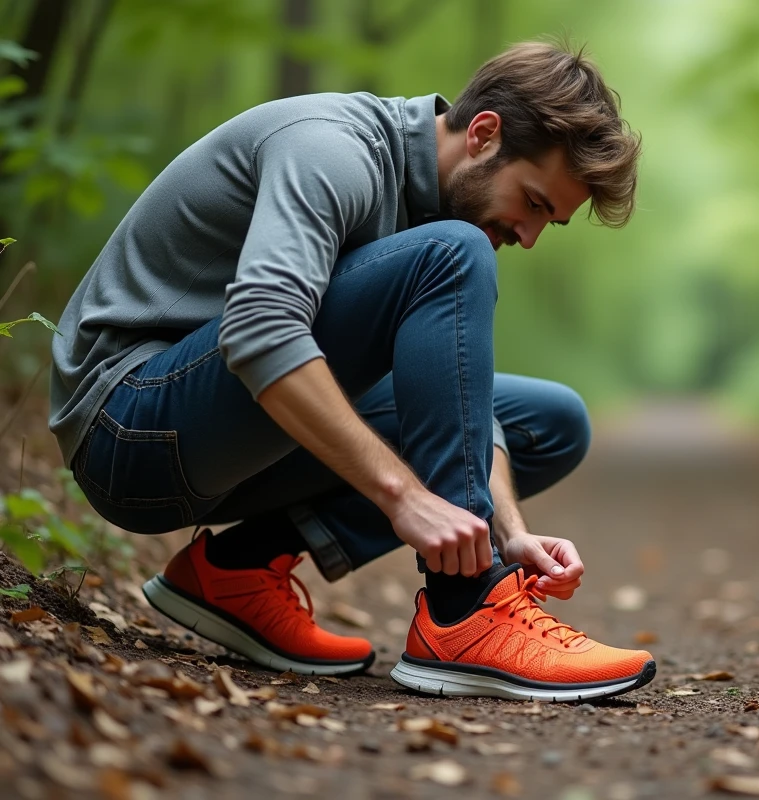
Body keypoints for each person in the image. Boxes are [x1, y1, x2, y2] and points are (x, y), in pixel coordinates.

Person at [47, 41, 655, 702]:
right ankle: (465, 613)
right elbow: (261, 329)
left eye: (551, 222)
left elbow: (455, 402)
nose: (530, 237)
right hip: (127, 427)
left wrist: (507, 535)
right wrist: (404, 495)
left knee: (549, 421)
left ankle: (237, 571)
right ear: (483, 135)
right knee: (455, 253)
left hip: (229, 440)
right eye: (534, 203)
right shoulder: (333, 149)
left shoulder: (434, 210)